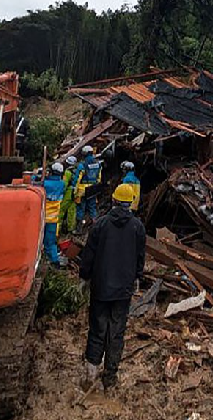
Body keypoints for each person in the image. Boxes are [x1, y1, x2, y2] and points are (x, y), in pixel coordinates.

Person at [79, 183, 146, 391]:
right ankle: (110, 377)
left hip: (101, 287)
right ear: (130, 203)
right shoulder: (138, 227)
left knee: (97, 329)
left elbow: (88, 255)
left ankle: (90, 374)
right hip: (123, 290)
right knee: (117, 332)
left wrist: (84, 277)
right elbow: (140, 258)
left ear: (115, 201)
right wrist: (136, 277)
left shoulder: (101, 225)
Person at [73, 145, 102, 231]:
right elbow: (99, 178)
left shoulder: (82, 165)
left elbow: (77, 179)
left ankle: (79, 229)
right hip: (93, 189)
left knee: (81, 208)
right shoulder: (98, 164)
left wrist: (74, 191)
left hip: (82, 190)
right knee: (92, 208)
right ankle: (97, 228)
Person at [43, 163, 66, 268]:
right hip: (53, 217)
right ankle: (54, 260)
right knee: (50, 240)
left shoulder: (45, 184)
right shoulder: (62, 184)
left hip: (42, 217)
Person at [59, 156, 78, 235]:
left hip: (68, 193)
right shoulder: (77, 170)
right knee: (72, 211)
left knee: (61, 210)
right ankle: (71, 228)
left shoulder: (67, 172)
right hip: (76, 192)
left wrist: (61, 193)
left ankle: (58, 229)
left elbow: (64, 184)